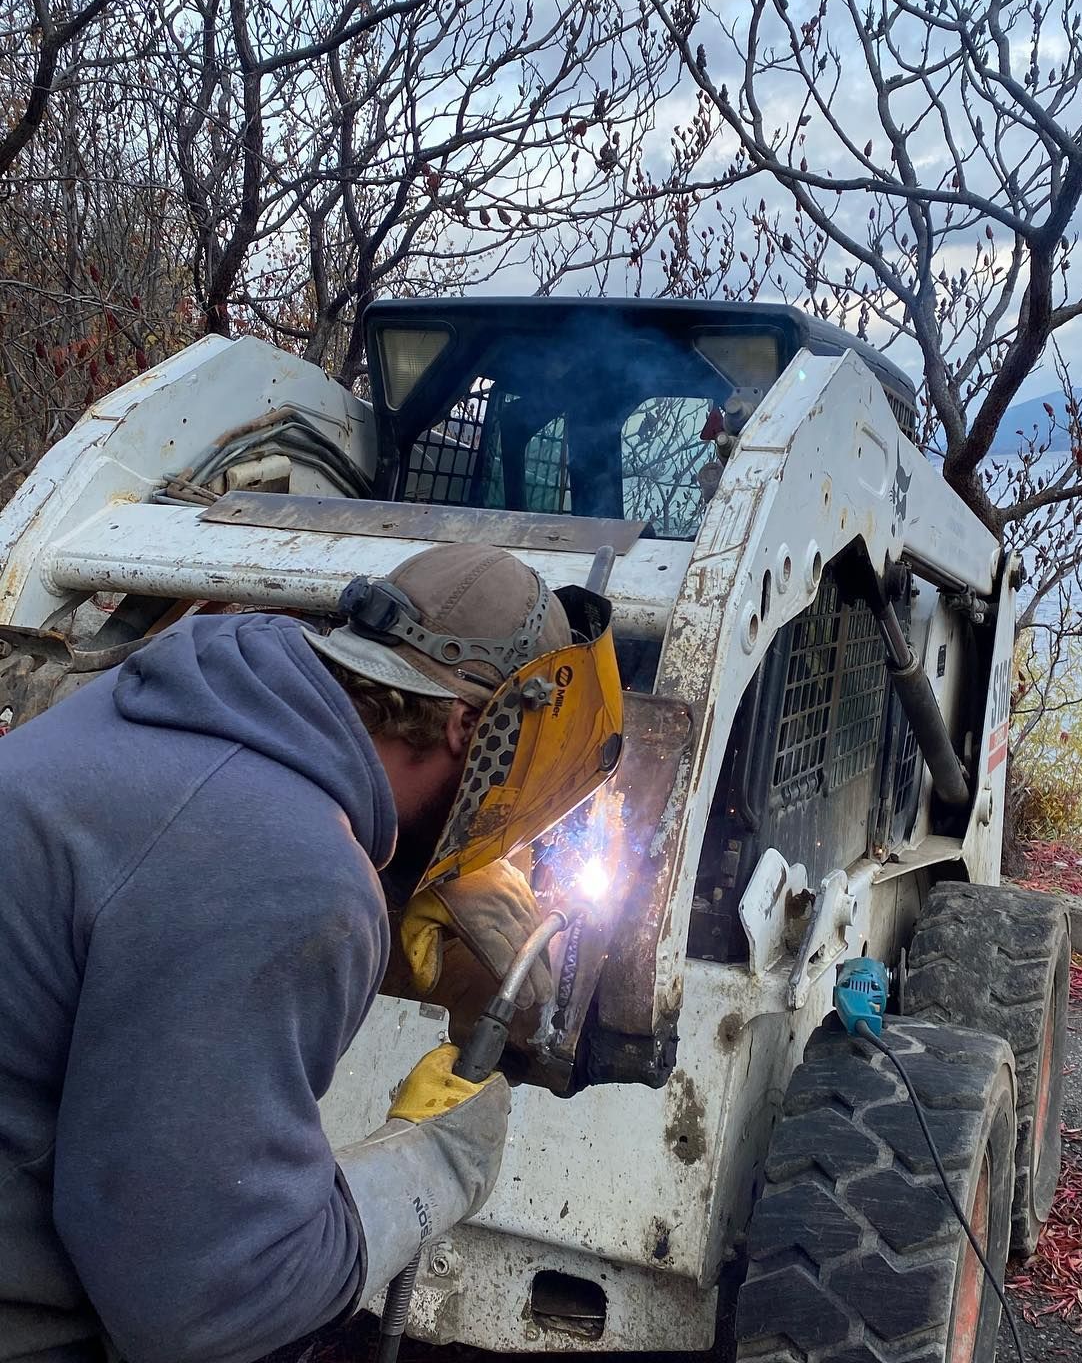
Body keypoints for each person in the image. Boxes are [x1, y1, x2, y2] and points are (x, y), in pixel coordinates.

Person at [0, 541, 623, 1363]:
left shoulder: (164, 700)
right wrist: (434, 1167)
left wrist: (396, 871)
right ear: (470, 728)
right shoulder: (286, 866)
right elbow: (203, 1304)